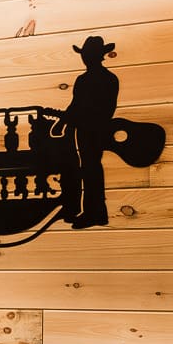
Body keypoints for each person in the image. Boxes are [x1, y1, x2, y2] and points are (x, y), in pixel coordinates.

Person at [61, 36, 120, 228]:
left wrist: (75, 118)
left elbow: (99, 108)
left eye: (87, 55)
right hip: (88, 129)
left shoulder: (90, 80)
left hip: (91, 130)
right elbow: (75, 106)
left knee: (90, 168)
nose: (85, 59)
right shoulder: (108, 79)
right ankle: (96, 212)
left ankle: (93, 213)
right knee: (90, 167)